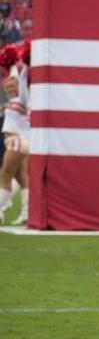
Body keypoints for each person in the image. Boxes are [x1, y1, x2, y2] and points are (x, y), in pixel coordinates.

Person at [0, 67, 28, 224]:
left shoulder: (24, 98)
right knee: (21, 177)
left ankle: (0, 210)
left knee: (6, 175)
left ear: (19, 87)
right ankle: (26, 213)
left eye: (12, 87)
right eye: (7, 88)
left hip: (17, 140)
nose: (10, 89)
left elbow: (23, 76)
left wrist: (24, 63)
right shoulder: (12, 101)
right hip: (16, 141)